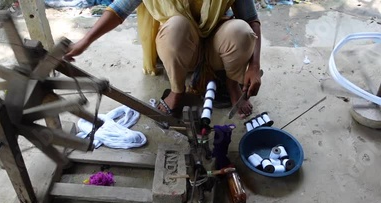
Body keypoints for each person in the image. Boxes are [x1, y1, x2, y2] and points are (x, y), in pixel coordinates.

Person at [64, 0, 262, 118]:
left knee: (241, 31)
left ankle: (232, 83)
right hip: (183, 46)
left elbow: (252, 20)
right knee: (176, 27)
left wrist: (254, 66)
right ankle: (177, 91)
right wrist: (85, 41)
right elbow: (119, 10)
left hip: (219, 44)